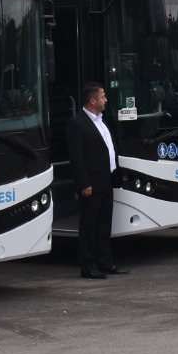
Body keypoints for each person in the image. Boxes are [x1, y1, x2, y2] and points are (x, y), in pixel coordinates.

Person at [67, 82, 124, 278]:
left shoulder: (102, 120)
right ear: (92, 100)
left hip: (107, 181)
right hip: (91, 184)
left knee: (104, 224)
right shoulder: (77, 123)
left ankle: (105, 262)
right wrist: (84, 184)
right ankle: (88, 266)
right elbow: (77, 158)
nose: (106, 100)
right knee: (89, 226)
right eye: (103, 97)